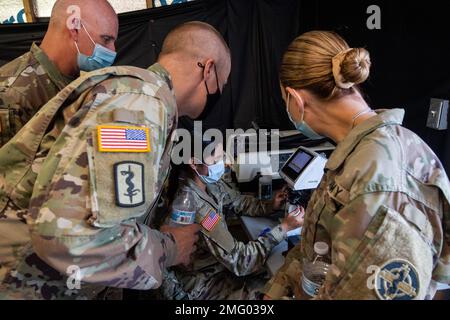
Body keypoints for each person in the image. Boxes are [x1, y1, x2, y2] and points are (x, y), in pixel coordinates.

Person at [0, 21, 231, 299]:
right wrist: (170, 248)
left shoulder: (144, 101)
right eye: (223, 81)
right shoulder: (139, 106)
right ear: (208, 69)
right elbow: (70, 239)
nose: (221, 92)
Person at [262, 30, 450, 300]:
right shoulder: (362, 154)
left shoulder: (376, 179)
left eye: (284, 101)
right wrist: (277, 290)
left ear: (296, 99)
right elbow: (315, 249)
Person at [160, 139, 304, 300]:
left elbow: (236, 201)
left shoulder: (205, 181)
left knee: (280, 274)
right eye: (216, 160)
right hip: (202, 284)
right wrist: (283, 229)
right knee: (277, 291)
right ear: (194, 163)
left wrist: (270, 205)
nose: (222, 164)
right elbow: (241, 261)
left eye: (222, 157)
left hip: (219, 267)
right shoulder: (197, 209)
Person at [0, 0, 119, 146]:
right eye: (106, 39)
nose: (112, 50)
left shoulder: (80, 81)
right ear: (74, 29)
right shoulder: (12, 93)